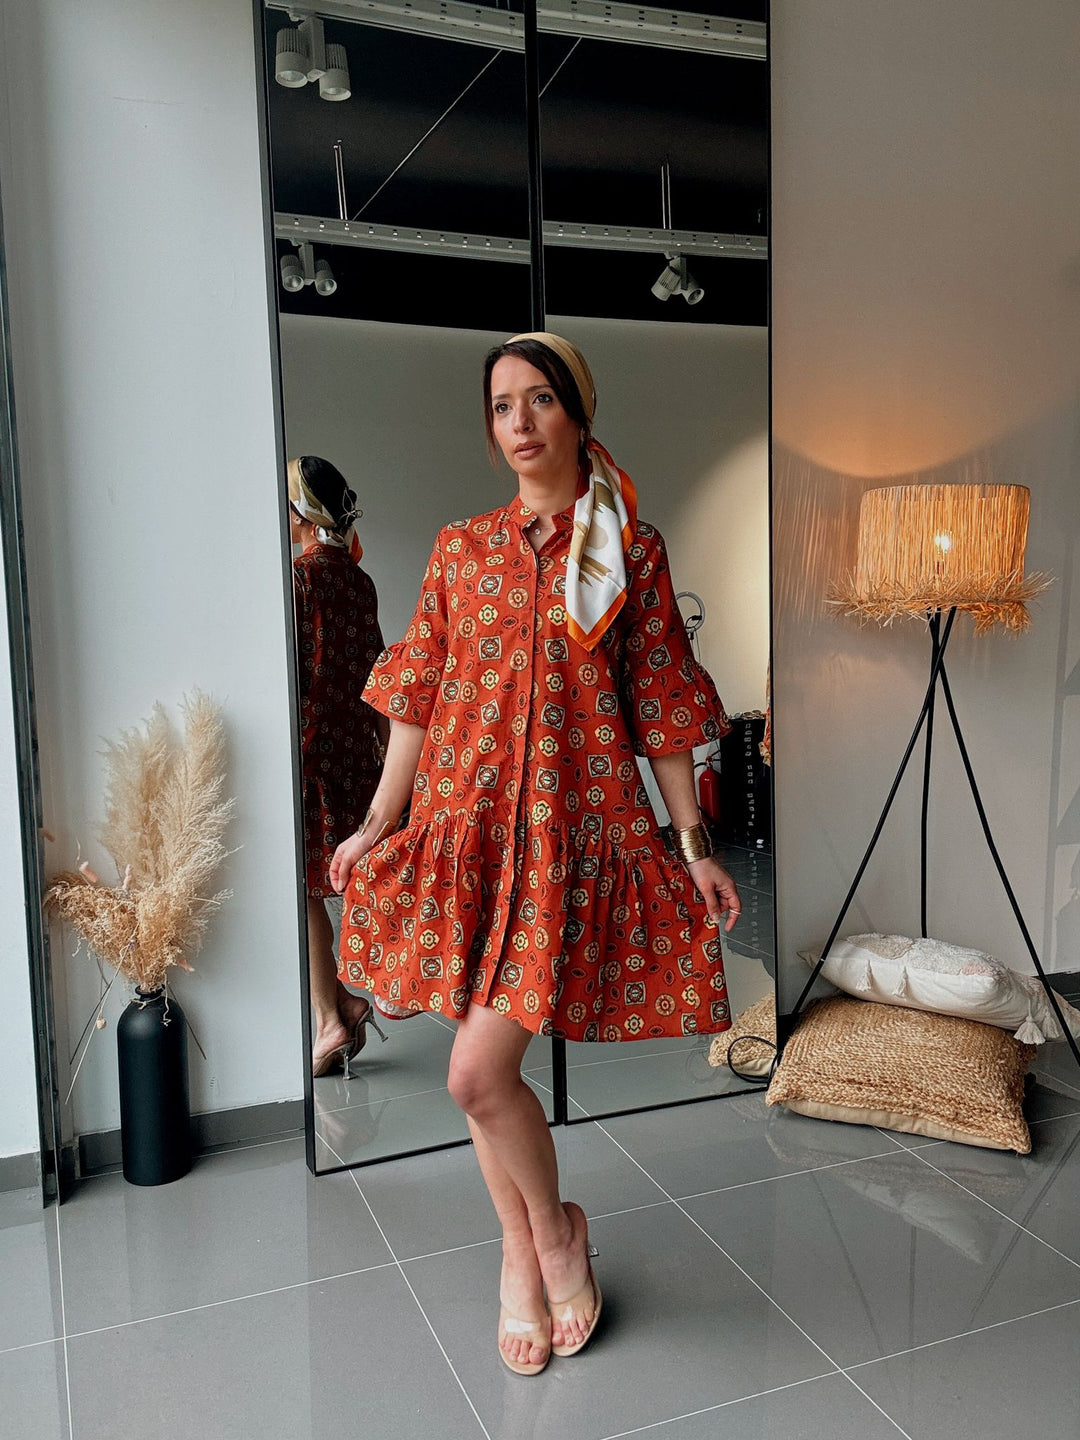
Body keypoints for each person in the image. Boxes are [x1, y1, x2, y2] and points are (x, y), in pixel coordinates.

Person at [330, 335, 740, 1375]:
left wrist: (691, 844)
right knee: (480, 1080)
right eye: (502, 405)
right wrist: (382, 820)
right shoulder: (461, 550)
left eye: (539, 400)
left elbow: (661, 708)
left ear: (576, 414)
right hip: (468, 841)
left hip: (567, 847)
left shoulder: (628, 553)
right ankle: (529, 1244)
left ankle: (551, 1232)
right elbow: (418, 695)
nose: (518, 421)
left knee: (474, 1074)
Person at [288, 454, 390, 1076]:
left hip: (307, 757)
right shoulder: (360, 581)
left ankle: (329, 1019)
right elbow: (379, 680)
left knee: (306, 896)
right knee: (336, 886)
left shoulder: (298, 581)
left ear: (297, 512)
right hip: (355, 754)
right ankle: (345, 1004)